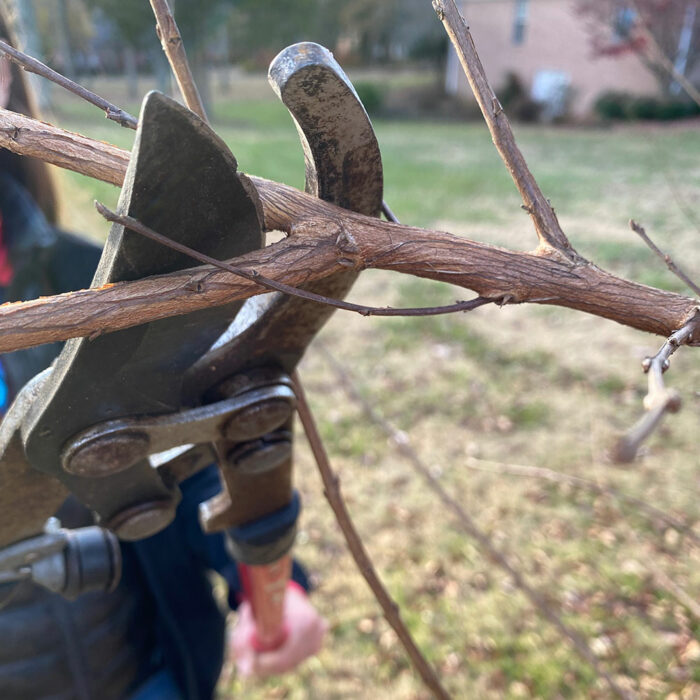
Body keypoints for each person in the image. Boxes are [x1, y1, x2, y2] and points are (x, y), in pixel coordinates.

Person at [0, 17, 325, 700]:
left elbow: (189, 466)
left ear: (5, 77)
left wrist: (266, 583)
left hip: (145, 673)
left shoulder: (87, 281)